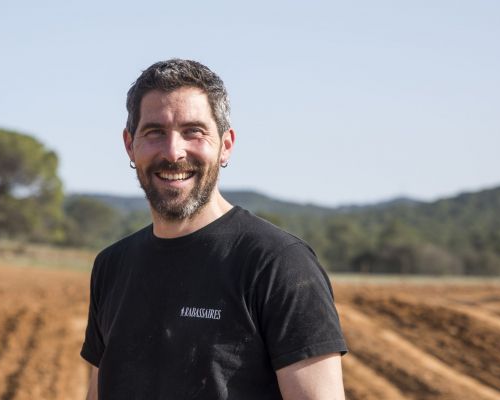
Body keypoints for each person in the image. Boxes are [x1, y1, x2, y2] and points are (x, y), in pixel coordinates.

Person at [81, 59, 347, 399]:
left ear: (226, 145)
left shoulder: (278, 264)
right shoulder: (111, 266)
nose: (173, 152)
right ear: (129, 144)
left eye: (193, 131)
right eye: (155, 132)